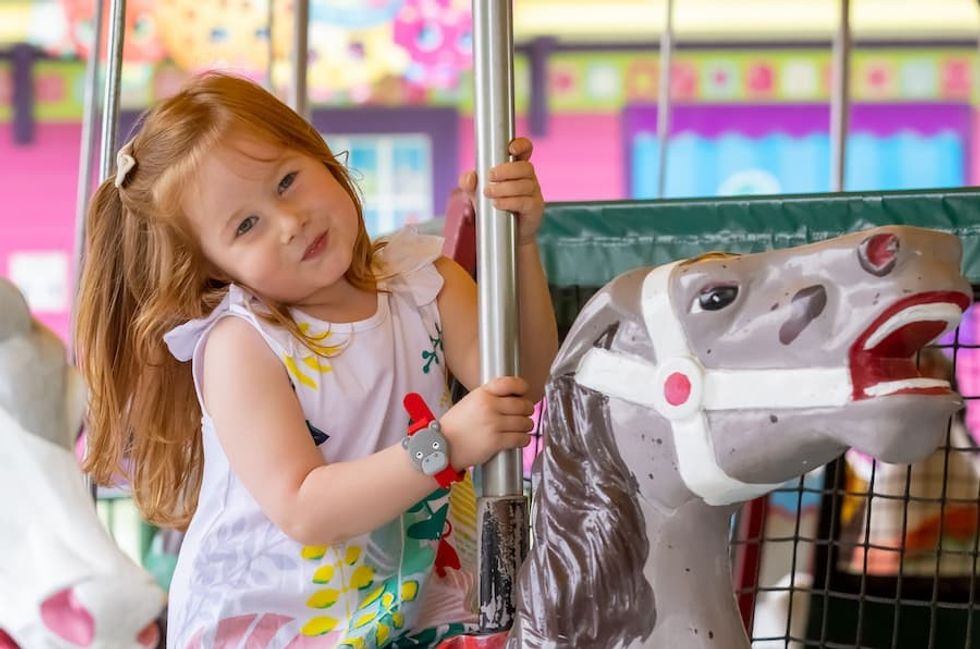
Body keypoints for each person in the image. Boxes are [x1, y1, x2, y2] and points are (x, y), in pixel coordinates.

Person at [74, 71, 559, 648]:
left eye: (286, 181)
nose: (290, 221)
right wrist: (445, 444)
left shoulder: (424, 283)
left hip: (405, 602)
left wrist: (521, 245)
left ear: (320, 156)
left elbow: (519, 380)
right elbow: (305, 507)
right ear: (216, 268)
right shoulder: (243, 344)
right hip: (277, 616)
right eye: (247, 225)